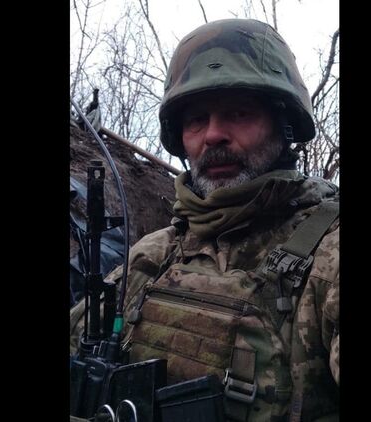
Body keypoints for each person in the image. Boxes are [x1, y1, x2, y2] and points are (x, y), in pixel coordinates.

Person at [70, 18, 339, 421]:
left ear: (284, 126)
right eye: (197, 119)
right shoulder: (155, 253)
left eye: (238, 112)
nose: (213, 135)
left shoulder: (328, 256)